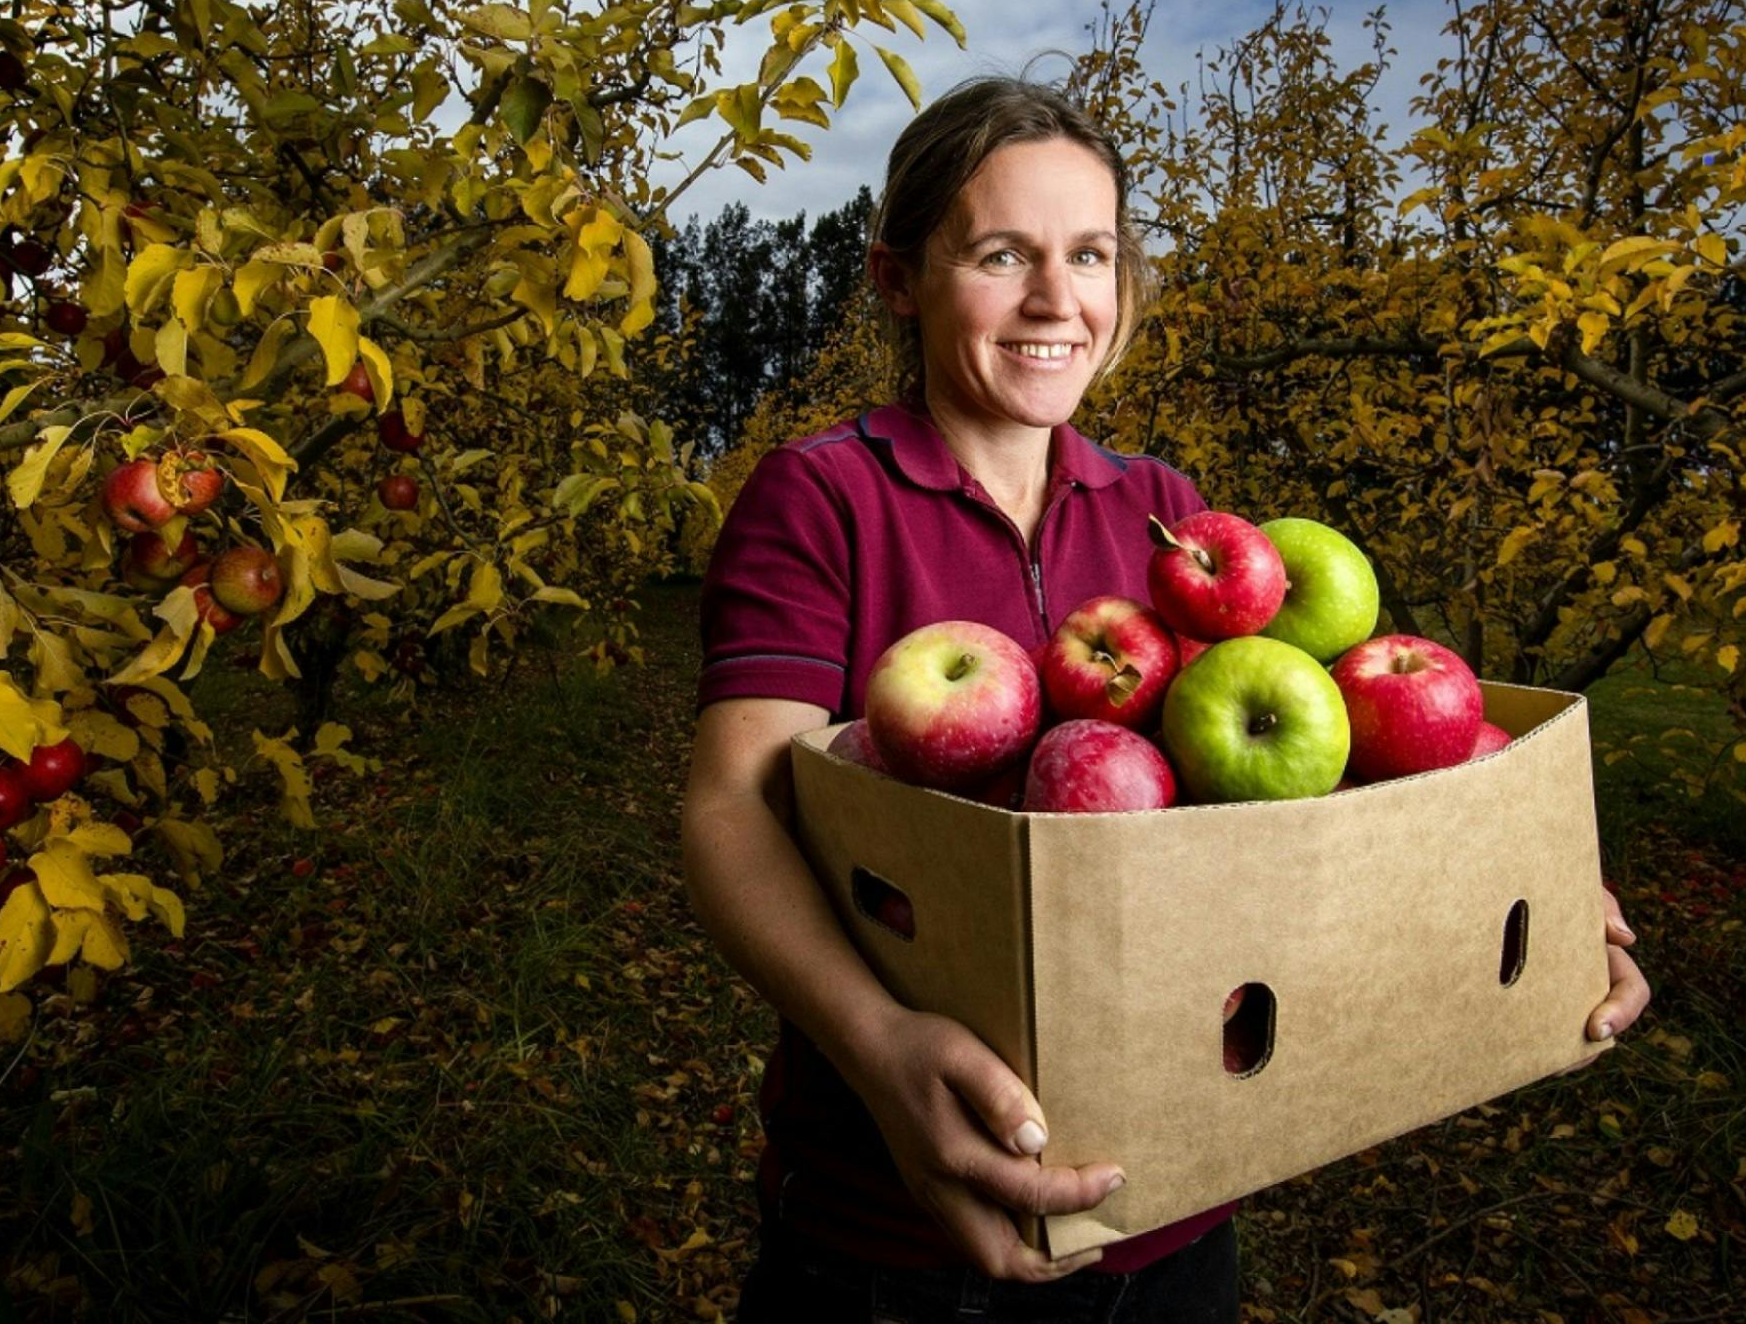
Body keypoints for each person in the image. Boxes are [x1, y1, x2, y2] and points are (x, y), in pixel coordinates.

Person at [680, 76, 1651, 1323]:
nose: (1055, 301)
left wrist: (1524, 874)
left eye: (1089, 254)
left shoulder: (1170, 518)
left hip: (1176, 1191)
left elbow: (1298, 797)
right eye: (1000, 254)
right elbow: (729, 813)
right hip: (896, 1219)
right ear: (896, 277)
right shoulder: (825, 499)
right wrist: (879, 1052)